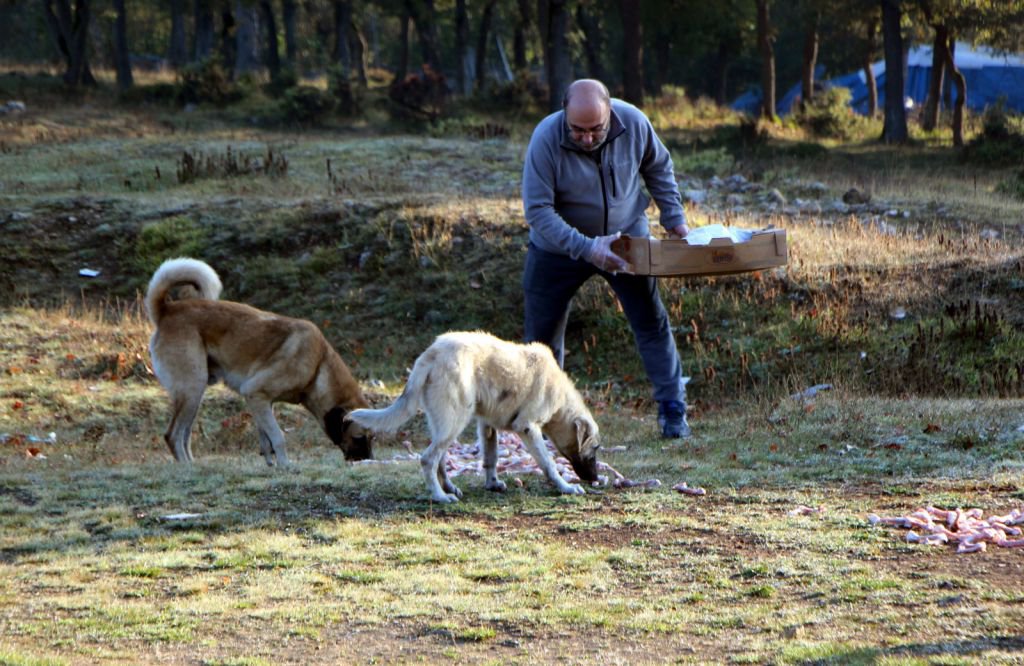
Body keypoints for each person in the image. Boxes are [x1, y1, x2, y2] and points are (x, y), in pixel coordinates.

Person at [520, 78, 691, 439]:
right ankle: (544, 422)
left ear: (610, 112)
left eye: (595, 129)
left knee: (651, 322)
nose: (586, 138)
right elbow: (537, 210)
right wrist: (586, 247)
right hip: (558, 248)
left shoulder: (634, 123)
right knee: (541, 341)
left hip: (626, 241)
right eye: (577, 130)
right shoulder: (546, 138)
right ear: (564, 114)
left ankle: (673, 410)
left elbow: (658, 166)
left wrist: (673, 217)